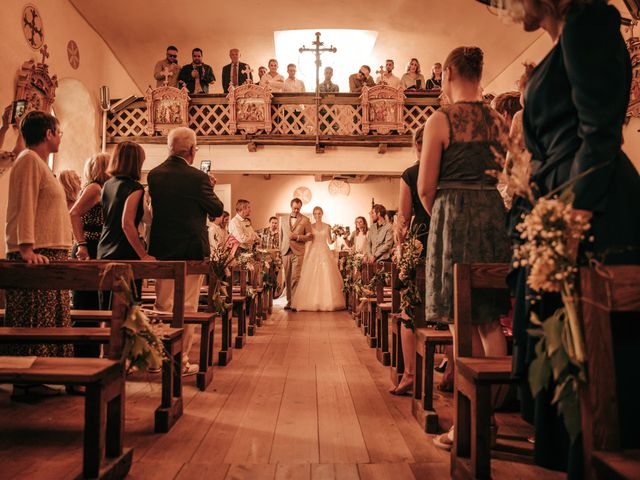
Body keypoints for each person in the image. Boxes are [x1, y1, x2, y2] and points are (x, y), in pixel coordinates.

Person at [503, 1, 640, 477]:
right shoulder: (560, 42)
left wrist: (572, 223)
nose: (505, 5)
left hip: (591, 206)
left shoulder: (589, 24)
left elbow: (599, 133)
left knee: (597, 350)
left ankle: (599, 457)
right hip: (559, 201)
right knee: (568, 344)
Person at [416, 46, 511, 451]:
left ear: (449, 73)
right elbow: (507, 172)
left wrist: (440, 217)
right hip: (492, 212)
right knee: (490, 320)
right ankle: (490, 420)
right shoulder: (498, 120)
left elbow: (424, 186)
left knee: (460, 322)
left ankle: (470, 425)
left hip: (452, 214)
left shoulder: (441, 120)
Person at [148, 127, 224, 376]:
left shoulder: (155, 175)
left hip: (162, 249)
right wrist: (209, 186)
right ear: (192, 150)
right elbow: (216, 209)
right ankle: (179, 362)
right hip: (191, 250)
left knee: (162, 304)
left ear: (169, 148)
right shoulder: (197, 178)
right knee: (188, 306)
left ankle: (156, 358)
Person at [3, 111, 72, 363]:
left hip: (49, 252)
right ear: (48, 134)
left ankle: (50, 371)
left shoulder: (39, 163)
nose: (60, 137)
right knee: (35, 318)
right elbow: (25, 204)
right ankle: (30, 377)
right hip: (37, 253)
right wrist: (26, 249)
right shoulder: (29, 160)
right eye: (59, 132)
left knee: (50, 318)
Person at [388, 125, 431, 396]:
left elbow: (403, 218)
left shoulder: (411, 173)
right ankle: (451, 372)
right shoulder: (450, 170)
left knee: (409, 311)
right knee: (449, 312)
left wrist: (401, 249)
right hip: (447, 240)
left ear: (416, 146)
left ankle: (410, 375)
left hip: (421, 242)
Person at [69, 153, 111, 355]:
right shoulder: (95, 188)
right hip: (89, 247)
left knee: (93, 304)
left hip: (94, 246)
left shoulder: (98, 188)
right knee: (87, 305)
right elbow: (74, 213)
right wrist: (82, 244)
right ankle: (84, 357)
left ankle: (90, 355)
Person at [291, 206, 345, 311]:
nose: (317, 215)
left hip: (324, 251)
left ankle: (327, 301)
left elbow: (329, 242)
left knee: (326, 275)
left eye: (319, 213)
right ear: (313, 215)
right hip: (314, 251)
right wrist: (307, 255)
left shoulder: (327, 226)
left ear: (322, 214)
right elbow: (309, 241)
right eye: (315, 213)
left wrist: (335, 236)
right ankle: (312, 301)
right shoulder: (310, 226)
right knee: (312, 276)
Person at [279, 197, 314, 310]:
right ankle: (289, 301)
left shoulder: (305, 220)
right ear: (291, 206)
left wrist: (297, 237)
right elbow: (281, 236)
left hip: (298, 252)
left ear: (300, 208)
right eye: (294, 208)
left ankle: (294, 302)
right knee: (288, 278)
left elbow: (310, 237)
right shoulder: (283, 219)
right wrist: (280, 251)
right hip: (285, 252)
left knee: (295, 277)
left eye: (298, 209)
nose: (296, 211)